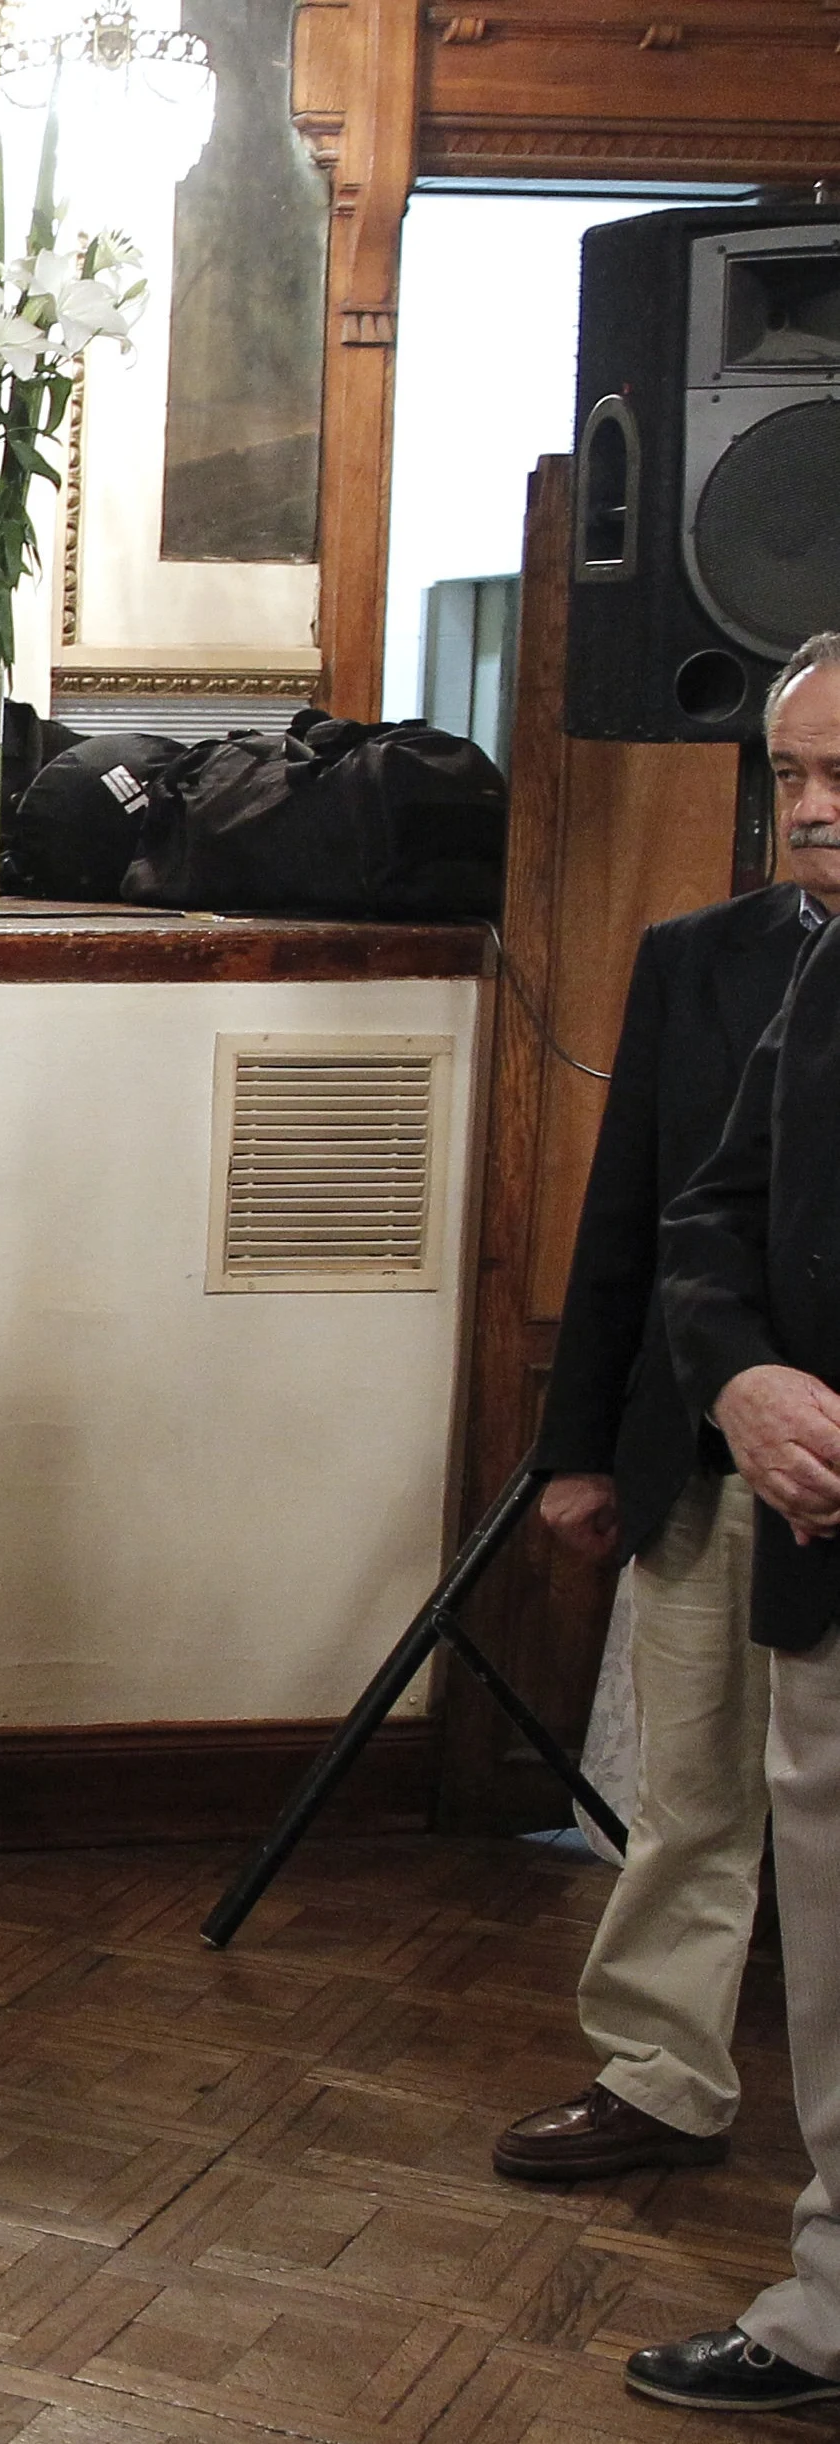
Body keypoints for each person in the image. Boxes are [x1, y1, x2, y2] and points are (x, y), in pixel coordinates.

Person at [498, 640, 836, 2186]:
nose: (813, 808)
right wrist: (579, 1446)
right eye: (793, 778)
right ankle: (659, 2068)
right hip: (705, 1448)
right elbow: (635, 1211)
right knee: (691, 1781)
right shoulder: (702, 956)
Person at [637, 632, 840, 2413]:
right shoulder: (815, 979)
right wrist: (744, 1383)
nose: (816, 811)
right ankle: (831, 2303)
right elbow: (707, 1218)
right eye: (792, 778)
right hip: (822, 1545)